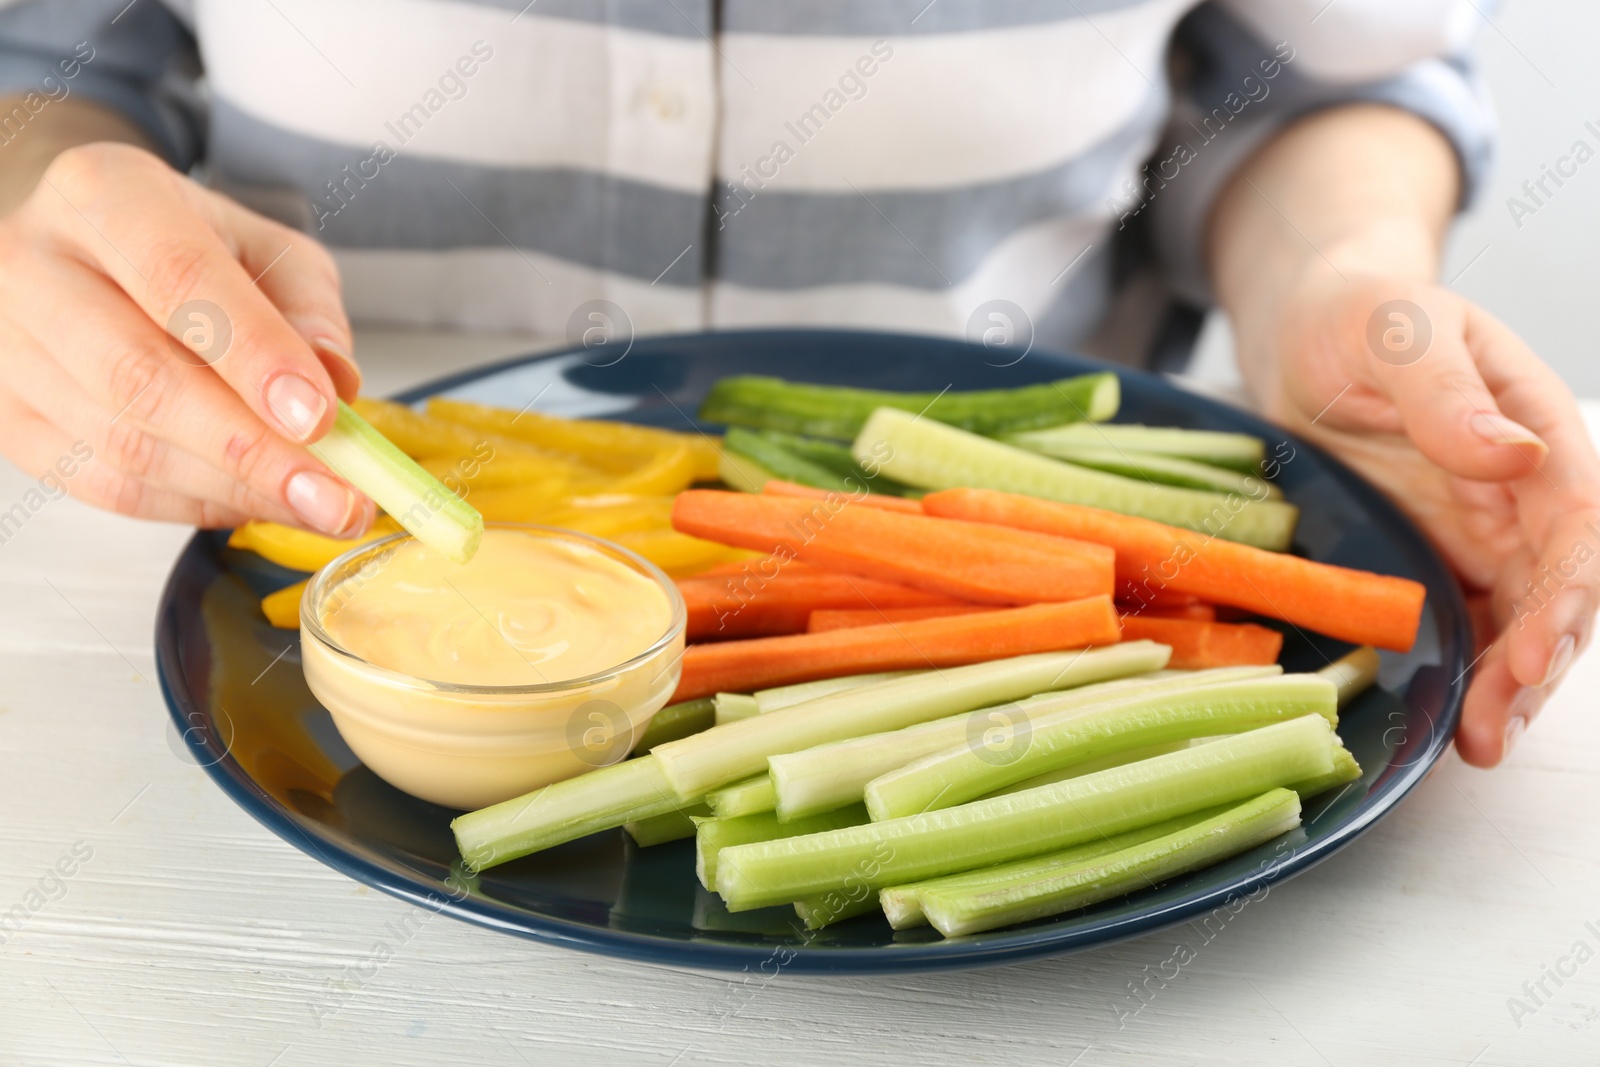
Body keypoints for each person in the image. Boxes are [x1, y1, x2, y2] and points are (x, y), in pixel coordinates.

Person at [0, 0, 1592, 770]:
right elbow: (48, 65)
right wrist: (38, 202)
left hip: (1038, 585)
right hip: (221, 600)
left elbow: (1314, 82)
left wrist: (1345, 284)